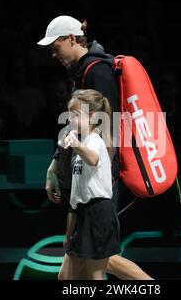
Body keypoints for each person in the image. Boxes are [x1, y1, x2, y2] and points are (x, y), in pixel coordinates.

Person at [38, 15, 152, 280]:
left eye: (55, 47)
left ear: (70, 38)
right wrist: (56, 167)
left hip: (99, 183)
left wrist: (93, 175)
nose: (53, 54)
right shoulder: (82, 73)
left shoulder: (97, 72)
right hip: (85, 182)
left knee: (102, 260)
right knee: (74, 272)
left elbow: (105, 128)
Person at [59, 89, 119, 279]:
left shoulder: (95, 141)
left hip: (99, 214)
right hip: (82, 215)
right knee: (65, 277)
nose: (70, 119)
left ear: (92, 116)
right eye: (69, 115)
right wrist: (68, 233)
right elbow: (74, 199)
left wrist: (75, 143)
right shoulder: (80, 148)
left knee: (95, 276)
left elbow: (92, 159)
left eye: (75, 115)